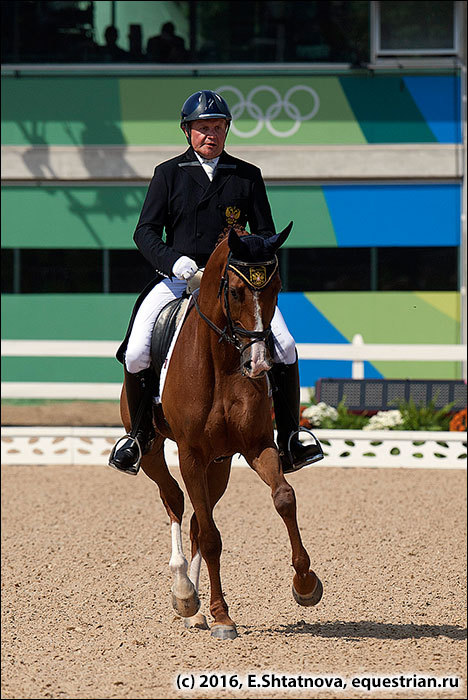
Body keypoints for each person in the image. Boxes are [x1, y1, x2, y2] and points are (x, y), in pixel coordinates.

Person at [109, 90, 323, 476]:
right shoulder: (168, 174)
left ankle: (291, 437)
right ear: (188, 131)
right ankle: (139, 436)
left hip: (237, 284)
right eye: (203, 128)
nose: (211, 134)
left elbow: (266, 234)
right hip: (181, 279)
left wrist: (254, 268)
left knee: (287, 346)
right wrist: (176, 263)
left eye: (218, 127)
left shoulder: (246, 176)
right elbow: (144, 233)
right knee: (138, 350)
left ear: (226, 131)